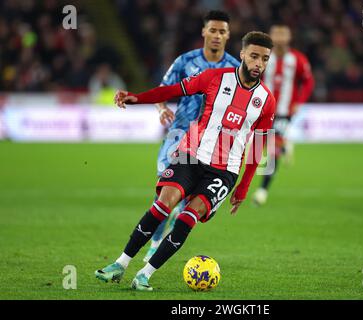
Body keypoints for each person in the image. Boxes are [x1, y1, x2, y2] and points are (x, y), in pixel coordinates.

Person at [95, 31, 275, 291]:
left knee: (187, 217)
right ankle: (120, 264)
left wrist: (244, 188)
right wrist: (138, 98)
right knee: (163, 205)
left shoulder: (266, 101)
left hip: (224, 172)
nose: (259, 63)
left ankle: (145, 274)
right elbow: (174, 90)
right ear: (243, 55)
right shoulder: (216, 78)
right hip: (191, 155)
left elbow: (258, 148)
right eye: (254, 56)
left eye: (265, 59)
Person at [145, 10, 240, 262]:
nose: (217, 35)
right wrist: (161, 107)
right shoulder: (185, 61)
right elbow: (163, 89)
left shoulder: (235, 68)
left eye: (222, 31)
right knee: (163, 194)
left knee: (192, 198)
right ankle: (154, 243)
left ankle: (163, 239)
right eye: (213, 30)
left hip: (210, 143)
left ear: (228, 35)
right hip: (179, 135)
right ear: (204, 32)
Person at [253, 24, 315, 206]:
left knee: (273, 149)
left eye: (283, 34)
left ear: (289, 37)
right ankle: (286, 143)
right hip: (261, 111)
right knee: (257, 147)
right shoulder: (262, 57)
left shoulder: (298, 59)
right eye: (276, 34)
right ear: (270, 36)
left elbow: (309, 81)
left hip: (283, 112)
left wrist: (299, 102)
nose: (279, 37)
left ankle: (262, 190)